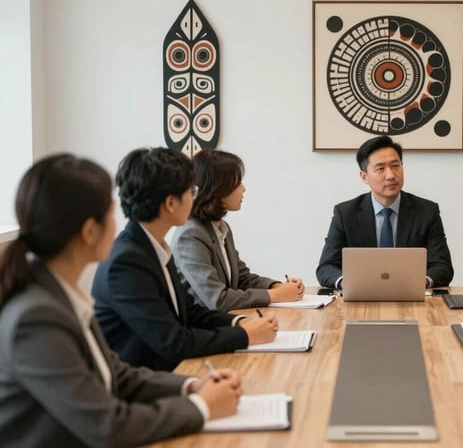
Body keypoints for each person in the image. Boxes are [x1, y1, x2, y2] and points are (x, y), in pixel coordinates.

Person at [0, 154, 243, 447]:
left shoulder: (58, 293)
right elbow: (107, 426)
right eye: (111, 214)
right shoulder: (36, 317)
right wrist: (201, 407)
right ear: (90, 231)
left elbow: (117, 375)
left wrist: (193, 386)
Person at [92, 147, 278, 371]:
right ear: (171, 203)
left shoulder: (154, 246)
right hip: (148, 384)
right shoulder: (126, 263)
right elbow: (174, 342)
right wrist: (244, 335)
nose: (195, 197)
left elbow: (189, 313)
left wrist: (239, 322)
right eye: (191, 190)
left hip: (172, 371)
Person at [171, 149, 305, 310]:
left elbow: (242, 279)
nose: (243, 189)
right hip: (203, 328)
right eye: (237, 183)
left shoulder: (220, 227)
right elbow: (217, 299)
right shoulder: (190, 234)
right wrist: (276, 295)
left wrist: (278, 286)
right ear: (217, 188)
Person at [316, 135, 454, 289]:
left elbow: (443, 267)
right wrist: (347, 282)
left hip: (411, 300)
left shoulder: (427, 211)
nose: (391, 175)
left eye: (395, 166)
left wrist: (420, 281)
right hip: (361, 299)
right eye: (380, 168)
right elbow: (326, 267)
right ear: (364, 176)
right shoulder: (345, 214)